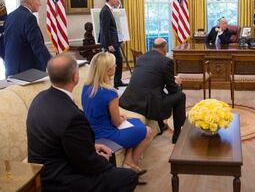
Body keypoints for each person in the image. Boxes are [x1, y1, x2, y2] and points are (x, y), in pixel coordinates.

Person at [27, 53, 139, 191]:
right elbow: (87, 163)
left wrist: (91, 146)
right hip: (60, 179)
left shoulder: (39, 98)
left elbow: (66, 141)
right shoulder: (73, 117)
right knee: (129, 176)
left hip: (41, 170)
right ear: (75, 77)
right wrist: (104, 161)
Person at [82, 52, 152, 177]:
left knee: (136, 122)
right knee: (147, 131)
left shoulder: (86, 87)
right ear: (108, 70)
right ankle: (131, 168)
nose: (116, 67)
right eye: (114, 65)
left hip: (91, 132)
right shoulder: (110, 93)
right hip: (107, 134)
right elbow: (116, 122)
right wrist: (121, 118)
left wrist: (120, 118)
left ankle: (128, 161)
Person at [120, 38, 186, 144]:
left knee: (156, 91)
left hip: (129, 100)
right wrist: (177, 83)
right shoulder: (167, 62)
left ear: (152, 47)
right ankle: (177, 135)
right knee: (180, 96)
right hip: (146, 105)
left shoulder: (141, 58)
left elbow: (150, 79)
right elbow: (172, 89)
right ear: (165, 48)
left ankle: (161, 126)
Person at [4, 0, 51, 77]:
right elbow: (37, 45)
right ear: (31, 2)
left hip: (11, 68)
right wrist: (53, 63)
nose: (40, 4)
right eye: (38, 0)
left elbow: (5, 42)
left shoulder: (10, 15)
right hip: (28, 70)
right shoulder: (29, 18)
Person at [99, 0, 126, 89]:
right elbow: (105, 29)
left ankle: (117, 81)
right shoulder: (105, 11)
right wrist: (109, 44)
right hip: (111, 43)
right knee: (116, 62)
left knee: (117, 61)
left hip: (113, 42)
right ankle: (114, 82)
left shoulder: (108, 9)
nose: (117, 0)